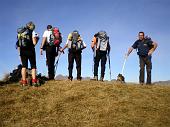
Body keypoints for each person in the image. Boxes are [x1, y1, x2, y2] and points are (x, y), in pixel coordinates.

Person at [16, 21, 39, 86]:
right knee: (33, 66)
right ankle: (34, 82)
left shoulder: (21, 33)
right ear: (32, 26)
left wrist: (19, 54)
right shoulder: (32, 32)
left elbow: (18, 45)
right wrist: (37, 40)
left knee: (24, 66)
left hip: (22, 51)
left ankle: (24, 82)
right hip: (30, 50)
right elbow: (34, 43)